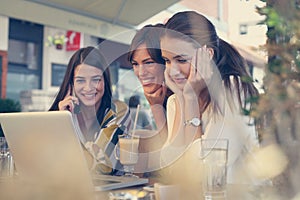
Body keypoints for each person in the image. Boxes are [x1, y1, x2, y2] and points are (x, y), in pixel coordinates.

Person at [159, 11, 260, 184]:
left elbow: (205, 175)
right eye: (167, 61)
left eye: (181, 60)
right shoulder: (176, 100)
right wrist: (184, 100)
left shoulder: (232, 89)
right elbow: (170, 170)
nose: (172, 71)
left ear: (208, 55)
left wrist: (190, 100)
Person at [49, 46, 131, 175]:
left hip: (109, 192)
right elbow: (44, 161)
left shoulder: (118, 111)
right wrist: (61, 121)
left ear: (105, 81)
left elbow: (102, 166)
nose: (88, 88)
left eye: (96, 80)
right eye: (80, 80)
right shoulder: (61, 113)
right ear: (71, 84)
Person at [128, 23, 173, 134]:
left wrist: (156, 107)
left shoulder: (182, 96)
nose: (141, 73)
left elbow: (173, 149)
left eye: (148, 62)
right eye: (135, 64)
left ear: (166, 61)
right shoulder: (160, 96)